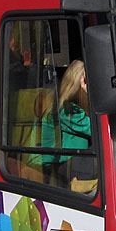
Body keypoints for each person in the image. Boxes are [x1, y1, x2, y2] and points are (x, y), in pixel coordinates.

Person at [40, 60, 95, 189]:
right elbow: (97, 129)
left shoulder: (68, 109)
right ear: (81, 83)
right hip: (58, 171)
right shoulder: (67, 111)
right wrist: (90, 95)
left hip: (68, 168)